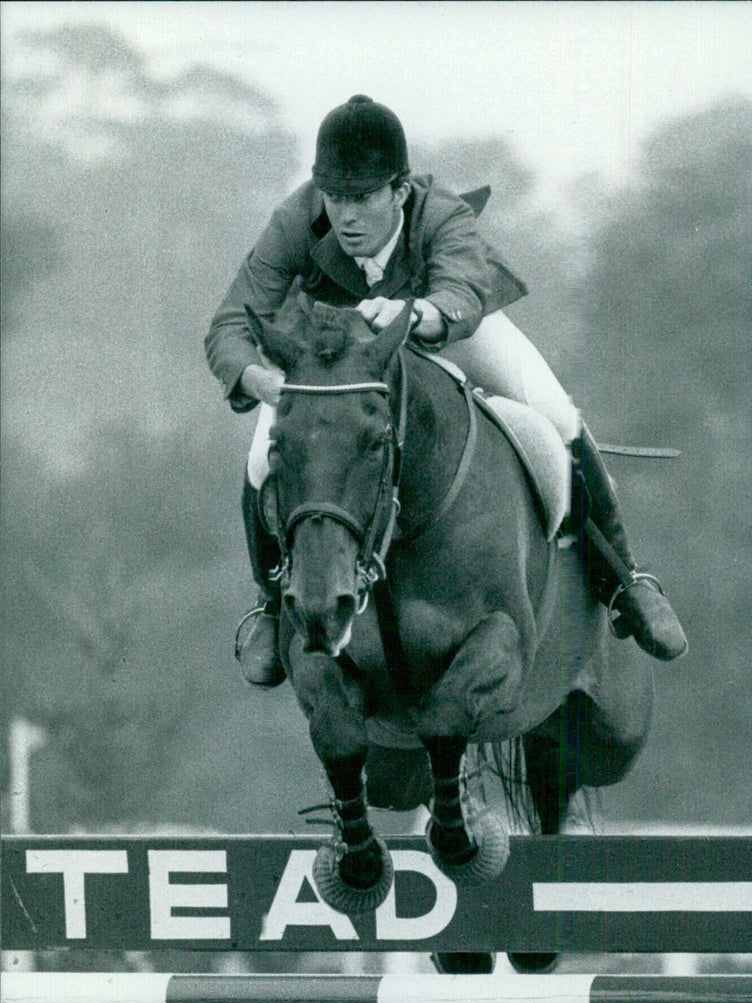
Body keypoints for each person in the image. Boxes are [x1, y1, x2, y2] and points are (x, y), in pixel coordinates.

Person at [205, 95, 687, 687]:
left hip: (448, 325)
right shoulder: (295, 219)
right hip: (341, 355)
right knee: (261, 458)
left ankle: (625, 582)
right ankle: (270, 603)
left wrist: (417, 314)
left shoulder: (443, 213)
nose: (347, 216)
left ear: (400, 191)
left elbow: (460, 292)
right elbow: (230, 322)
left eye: (363, 199)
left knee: (556, 414)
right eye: (336, 198)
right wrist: (256, 377)